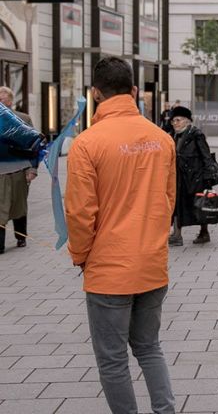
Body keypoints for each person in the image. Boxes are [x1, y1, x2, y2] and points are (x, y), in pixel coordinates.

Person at [64, 57, 176, 414]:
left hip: (109, 270)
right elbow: (168, 201)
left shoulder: (86, 144)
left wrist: (80, 255)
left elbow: (80, 213)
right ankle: (165, 410)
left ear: (96, 94)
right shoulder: (162, 139)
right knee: (149, 347)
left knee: (113, 361)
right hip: (152, 264)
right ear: (132, 91)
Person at [169, 106, 217, 246]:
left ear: (187, 121)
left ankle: (204, 233)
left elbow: (206, 156)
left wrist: (208, 176)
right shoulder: (174, 135)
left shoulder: (196, 134)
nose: (175, 123)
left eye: (178, 120)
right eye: (173, 121)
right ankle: (177, 235)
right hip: (180, 178)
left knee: (199, 206)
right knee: (178, 206)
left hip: (196, 177)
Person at [0, 87, 37, 254]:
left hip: (19, 170)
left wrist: (32, 169)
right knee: (1, 208)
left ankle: (21, 236)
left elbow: (33, 146)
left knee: (19, 205)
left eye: (3, 100)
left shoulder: (23, 119)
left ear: (10, 101)